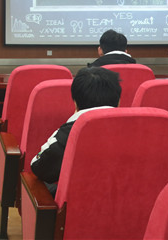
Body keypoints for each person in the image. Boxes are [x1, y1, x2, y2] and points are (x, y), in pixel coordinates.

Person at [30, 67, 122, 195]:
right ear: (118, 101)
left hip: (79, 203)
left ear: (75, 102)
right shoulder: (139, 131)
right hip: (132, 202)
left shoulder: (69, 133)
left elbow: (39, 168)